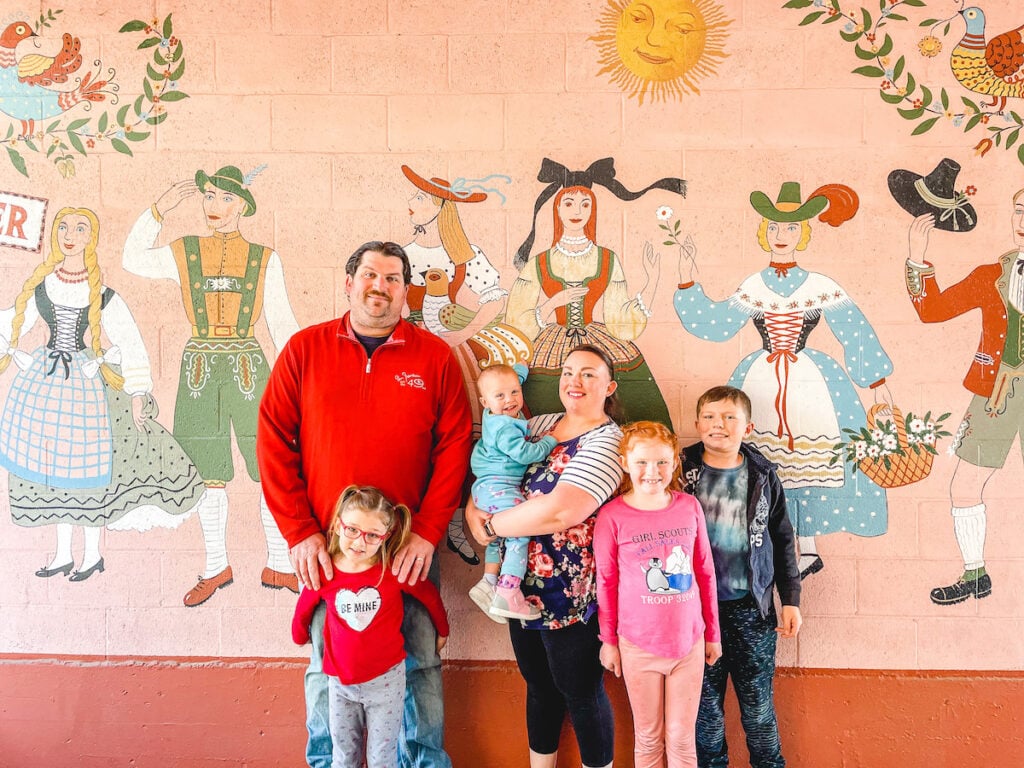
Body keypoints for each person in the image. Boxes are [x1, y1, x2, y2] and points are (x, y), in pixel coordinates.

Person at [257, 241, 472, 768]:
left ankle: (421, 762)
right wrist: (299, 531)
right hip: (330, 548)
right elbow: (272, 439)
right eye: (370, 275)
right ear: (349, 282)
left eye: (393, 278)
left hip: (407, 549)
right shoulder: (304, 351)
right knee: (326, 666)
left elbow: (455, 446)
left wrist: (425, 531)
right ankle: (328, 762)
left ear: (405, 289)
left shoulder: (435, 358)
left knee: (419, 661)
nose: (380, 286)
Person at [673, 181, 893, 579]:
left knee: (811, 459)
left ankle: (805, 546)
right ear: (764, 232)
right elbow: (719, 323)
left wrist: (877, 381)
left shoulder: (821, 286)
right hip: (762, 381)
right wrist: (688, 281)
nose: (781, 235)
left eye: (790, 229)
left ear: (803, 233)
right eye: (773, 228)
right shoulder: (755, 285)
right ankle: (771, 539)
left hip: (810, 383)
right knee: (768, 460)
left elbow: (853, 328)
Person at [122, 165, 300, 605]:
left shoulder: (263, 258)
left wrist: (300, 386)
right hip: (199, 368)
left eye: (224, 199)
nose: (214, 207)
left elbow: (283, 326)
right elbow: (132, 258)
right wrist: (158, 210)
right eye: (209, 197)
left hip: (249, 367)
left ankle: (278, 565)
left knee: (269, 469)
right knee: (208, 476)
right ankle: (216, 566)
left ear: (243, 206)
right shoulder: (184, 251)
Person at [0, 207, 204, 580]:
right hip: (47, 388)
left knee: (90, 474)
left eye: (79, 228)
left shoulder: (104, 295)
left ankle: (92, 555)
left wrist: (139, 390)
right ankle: (63, 553)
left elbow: (130, 342)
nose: (69, 234)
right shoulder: (42, 287)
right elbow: (13, 320)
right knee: (55, 472)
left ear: (90, 237)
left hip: (87, 390)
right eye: (63, 226)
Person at [467, 344, 625, 768]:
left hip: (569, 593)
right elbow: (490, 472)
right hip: (518, 590)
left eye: (588, 374)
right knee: (538, 685)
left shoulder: (609, 442)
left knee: (580, 690)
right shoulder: (538, 423)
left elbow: (561, 510)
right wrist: (473, 508)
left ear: (608, 386)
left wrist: (492, 527)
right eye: (568, 371)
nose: (574, 381)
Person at [903, 191, 1024, 604]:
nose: (1022, 221)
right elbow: (932, 310)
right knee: (965, 485)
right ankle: (975, 574)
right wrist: (918, 258)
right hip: (997, 394)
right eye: (1020, 211)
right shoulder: (991, 274)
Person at [506, 157, 685, 427]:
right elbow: (517, 318)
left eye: (585, 204)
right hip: (549, 348)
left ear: (593, 210)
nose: (577, 210)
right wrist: (554, 302)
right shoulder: (540, 261)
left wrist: (652, 281)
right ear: (557, 209)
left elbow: (619, 320)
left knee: (632, 411)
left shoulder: (607, 258)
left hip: (600, 341)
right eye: (569, 203)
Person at [680, 386, 802, 768]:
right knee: (706, 711)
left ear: (747, 427)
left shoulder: (763, 476)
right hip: (694, 614)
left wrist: (791, 600)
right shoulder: (678, 470)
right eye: (711, 417)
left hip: (752, 611)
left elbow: (782, 538)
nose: (720, 425)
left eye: (730, 417)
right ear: (697, 424)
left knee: (758, 706)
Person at [402, 165, 516, 566]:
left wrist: (457, 336)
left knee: (464, 442)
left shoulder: (465, 258)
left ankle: (460, 523)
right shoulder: (405, 256)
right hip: (414, 359)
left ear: (440, 208)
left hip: (454, 356)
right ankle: (437, 522)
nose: (412, 205)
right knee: (421, 444)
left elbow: (495, 298)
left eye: (420, 198)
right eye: (414, 197)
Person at [292, 485, 449, 768]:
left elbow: (428, 595)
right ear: (338, 524)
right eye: (352, 529)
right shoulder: (327, 571)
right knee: (343, 755)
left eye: (372, 535)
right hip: (341, 685)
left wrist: (443, 630)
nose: (359, 542)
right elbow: (305, 604)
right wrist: (298, 634)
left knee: (381, 758)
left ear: (386, 537)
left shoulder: (392, 571)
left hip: (386, 684)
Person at [595, 420, 721, 768]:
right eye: (642, 462)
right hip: (638, 644)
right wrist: (609, 640)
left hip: (688, 643)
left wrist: (713, 634)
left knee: (682, 738)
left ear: (674, 462)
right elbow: (605, 580)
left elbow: (705, 572)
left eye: (662, 462)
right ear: (625, 463)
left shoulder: (689, 507)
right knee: (648, 738)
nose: (653, 471)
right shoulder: (612, 516)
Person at [468, 362, 558, 622]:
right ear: (485, 401)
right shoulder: (505, 428)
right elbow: (524, 452)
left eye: (515, 392)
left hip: (486, 487)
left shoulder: (493, 413)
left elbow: (507, 382)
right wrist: (549, 441)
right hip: (499, 484)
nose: (509, 401)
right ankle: (508, 590)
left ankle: (488, 581)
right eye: (500, 396)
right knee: (518, 531)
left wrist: (520, 370)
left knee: (499, 536)